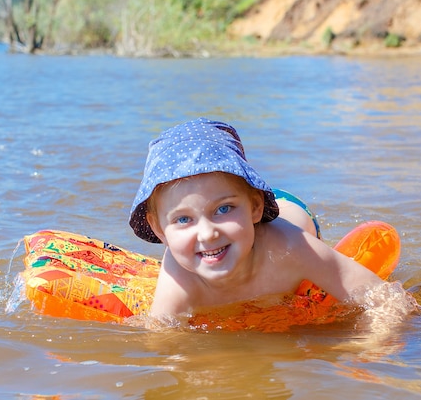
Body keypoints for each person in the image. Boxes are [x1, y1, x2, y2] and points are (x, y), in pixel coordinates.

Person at [129, 117, 384, 319]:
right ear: (158, 228)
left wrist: (367, 344)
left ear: (255, 207)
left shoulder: (290, 247)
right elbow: (163, 339)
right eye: (183, 219)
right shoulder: (178, 273)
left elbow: (380, 296)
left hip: (289, 211)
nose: (207, 234)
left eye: (223, 209)